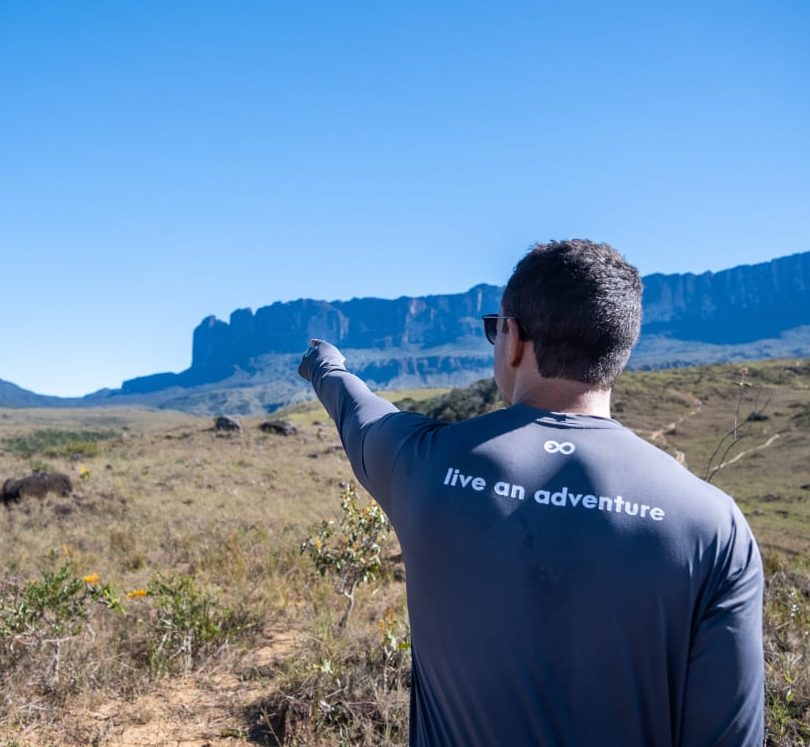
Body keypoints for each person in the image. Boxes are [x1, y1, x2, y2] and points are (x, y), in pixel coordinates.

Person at [298, 239, 764, 746]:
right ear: (618, 351)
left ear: (514, 338)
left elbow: (359, 410)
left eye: (494, 329)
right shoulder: (714, 524)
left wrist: (326, 364)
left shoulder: (422, 463)